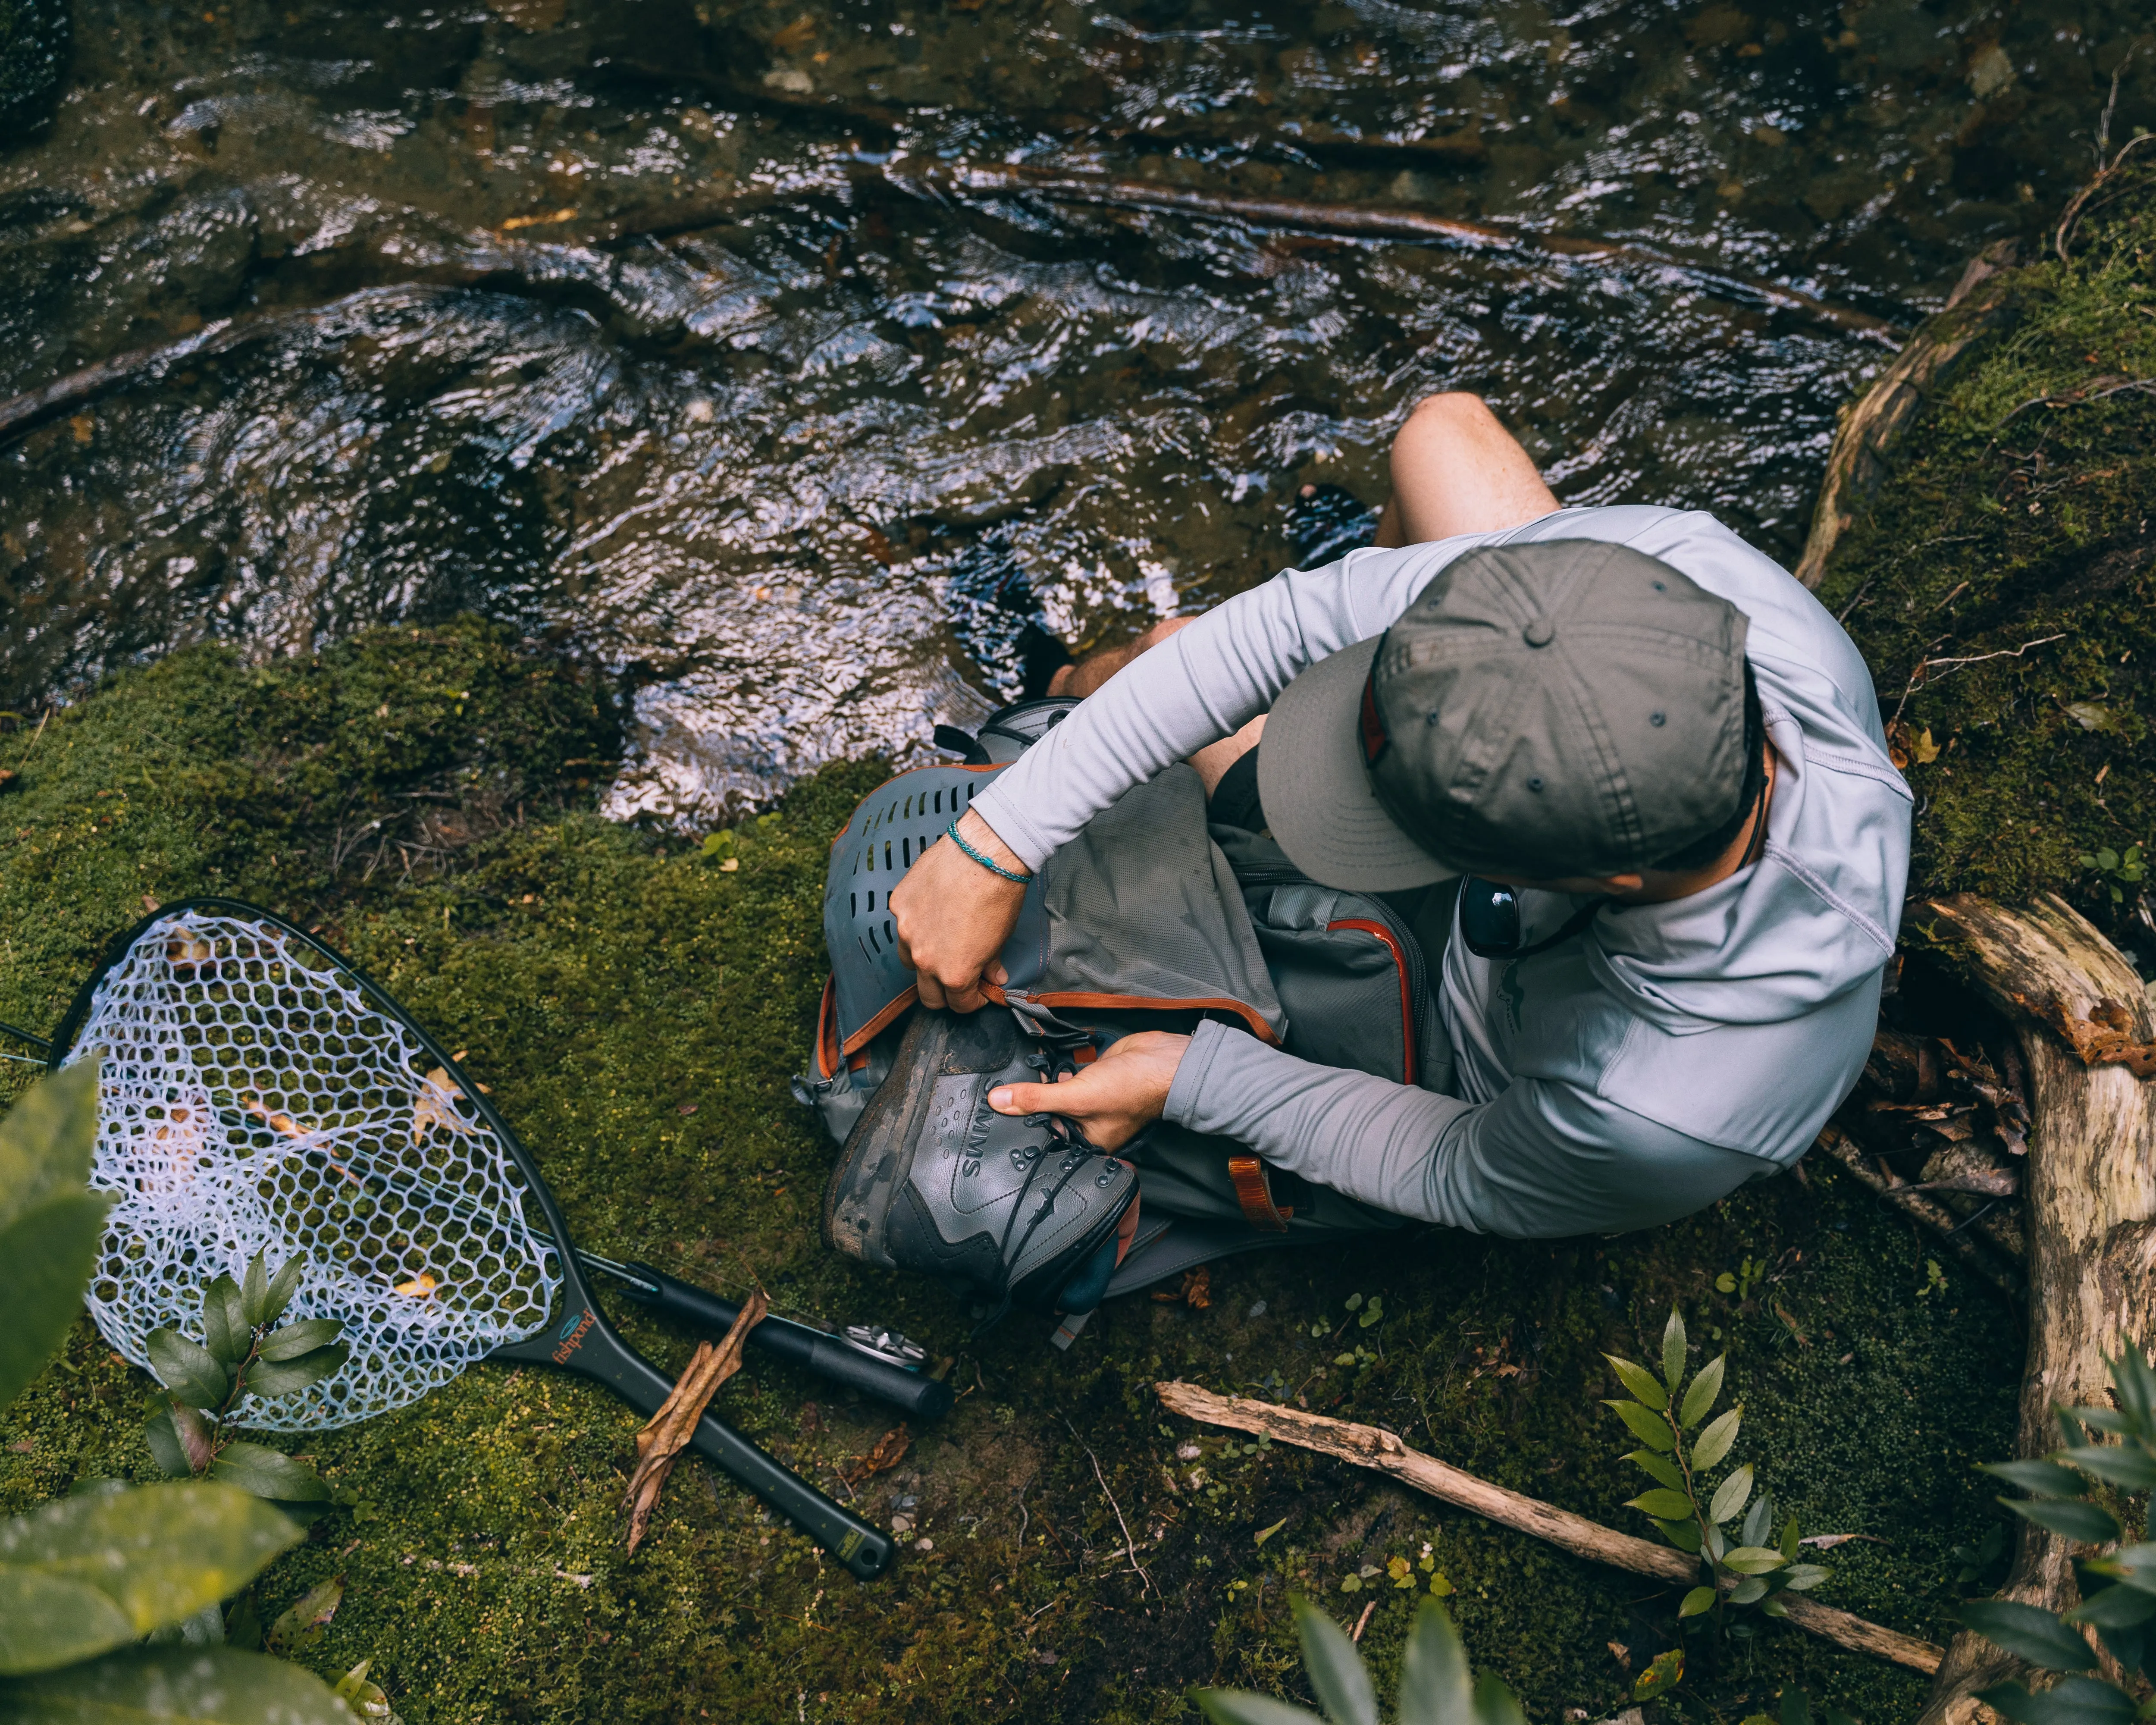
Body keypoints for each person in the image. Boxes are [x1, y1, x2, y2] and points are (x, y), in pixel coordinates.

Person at [881, 392, 1912, 1244]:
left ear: (1596, 885)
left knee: (1163, 655)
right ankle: (1102, 674)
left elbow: (1458, 1166)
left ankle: (1052, 684)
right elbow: (1279, 628)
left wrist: (1198, 1076)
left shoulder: (1657, 1107)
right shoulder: (1699, 590)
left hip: (1465, 1034)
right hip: (1540, 874)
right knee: (1442, 434)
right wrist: (995, 842)